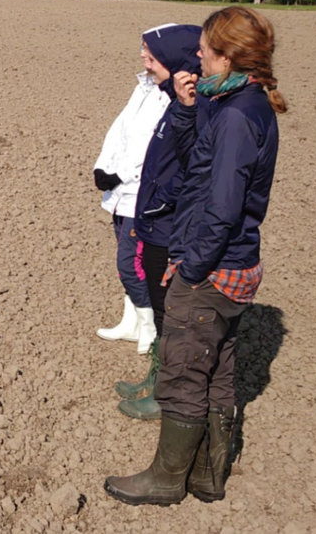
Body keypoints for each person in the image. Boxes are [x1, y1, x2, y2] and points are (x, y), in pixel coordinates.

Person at [105, 6, 286, 506]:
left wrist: (192, 265)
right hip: (235, 263)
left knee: (185, 372)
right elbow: (198, 167)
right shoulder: (240, 104)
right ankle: (208, 475)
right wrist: (187, 109)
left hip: (214, 267)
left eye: (206, 47)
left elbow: (221, 206)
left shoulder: (234, 116)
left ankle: (165, 481)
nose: (198, 53)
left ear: (227, 56)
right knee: (218, 370)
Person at [115, 24, 203, 420]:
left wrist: (156, 207)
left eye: (151, 55)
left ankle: (165, 393)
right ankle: (155, 378)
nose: (143, 60)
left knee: (170, 314)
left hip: (170, 228)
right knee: (161, 306)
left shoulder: (198, 108)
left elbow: (189, 172)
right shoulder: (177, 103)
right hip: (157, 224)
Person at [93, 25, 174, 354]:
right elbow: (120, 129)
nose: (143, 55)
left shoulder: (170, 98)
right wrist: (103, 166)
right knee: (126, 263)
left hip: (140, 195)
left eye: (149, 51)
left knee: (131, 264)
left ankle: (150, 326)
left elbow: (151, 151)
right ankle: (131, 323)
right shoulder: (142, 87)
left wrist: (119, 176)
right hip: (120, 194)